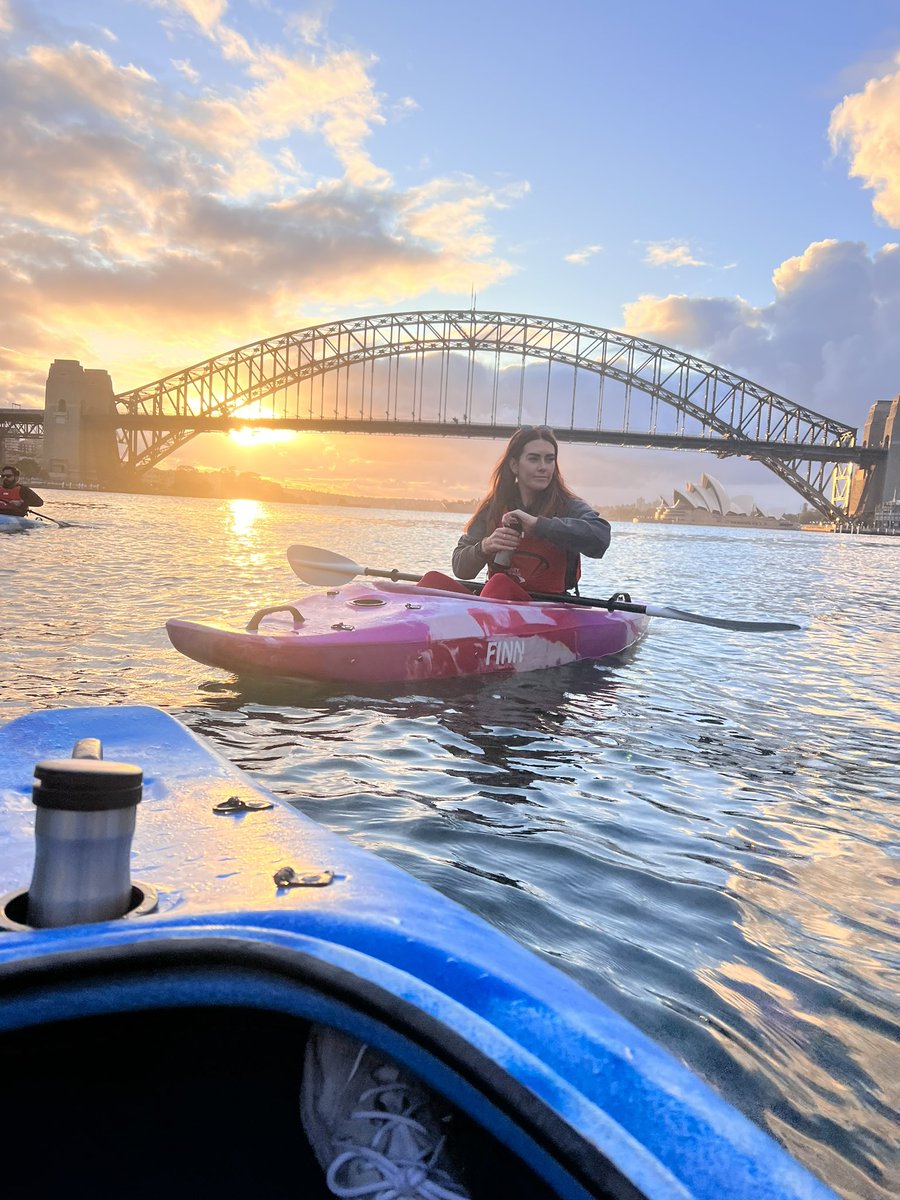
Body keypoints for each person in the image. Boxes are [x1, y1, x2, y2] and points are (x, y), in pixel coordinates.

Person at [452, 426, 610, 594]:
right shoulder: (495, 507)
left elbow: (600, 538)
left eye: (550, 459)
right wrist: (485, 546)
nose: (544, 467)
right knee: (432, 579)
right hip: (499, 603)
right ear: (514, 465)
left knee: (498, 587)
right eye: (534, 459)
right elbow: (460, 569)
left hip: (550, 607)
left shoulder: (569, 506)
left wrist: (538, 525)